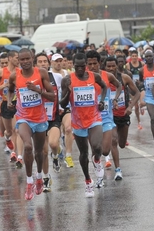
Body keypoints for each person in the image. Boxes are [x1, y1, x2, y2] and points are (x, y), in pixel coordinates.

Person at [7, 48, 55, 200]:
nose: (25, 62)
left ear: (32, 58)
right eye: (22, 60)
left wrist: (37, 90)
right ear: (19, 61)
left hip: (40, 118)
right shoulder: (15, 76)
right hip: (23, 118)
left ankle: (39, 177)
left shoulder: (41, 73)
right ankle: (29, 183)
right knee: (28, 146)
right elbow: (10, 90)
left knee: (39, 152)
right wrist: (9, 101)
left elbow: (52, 96)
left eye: (28, 59)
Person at [60, 52, 107, 198]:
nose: (80, 69)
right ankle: (88, 181)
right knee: (83, 153)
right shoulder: (67, 80)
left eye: (82, 66)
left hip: (94, 118)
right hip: (78, 121)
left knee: (97, 146)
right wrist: (68, 92)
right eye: (77, 66)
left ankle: (97, 160)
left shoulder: (94, 76)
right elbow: (62, 103)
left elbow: (104, 87)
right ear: (73, 65)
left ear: (85, 65)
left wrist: (102, 101)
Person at [86, 50, 121, 175]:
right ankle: (98, 173)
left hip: (105, 117)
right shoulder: (83, 78)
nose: (92, 66)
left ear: (99, 63)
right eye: (89, 64)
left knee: (105, 150)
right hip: (90, 119)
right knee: (95, 149)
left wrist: (115, 99)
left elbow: (119, 85)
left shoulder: (108, 76)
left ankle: (103, 163)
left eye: (94, 63)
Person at [104, 56, 140, 179]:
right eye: (108, 66)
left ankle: (109, 148)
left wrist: (130, 107)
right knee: (113, 140)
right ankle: (118, 170)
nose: (111, 68)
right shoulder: (102, 79)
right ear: (105, 67)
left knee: (122, 144)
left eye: (113, 66)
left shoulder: (124, 78)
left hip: (123, 115)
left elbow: (137, 93)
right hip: (109, 116)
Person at [34, 52, 63, 192]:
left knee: (52, 144)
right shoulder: (32, 79)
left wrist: (63, 107)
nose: (43, 64)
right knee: (43, 152)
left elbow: (63, 93)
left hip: (53, 118)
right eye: (39, 62)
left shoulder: (56, 77)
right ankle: (46, 178)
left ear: (49, 63)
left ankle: (56, 155)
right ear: (35, 64)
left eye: (45, 61)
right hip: (38, 119)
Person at [0, 51, 19, 163]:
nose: (18, 60)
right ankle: (7, 139)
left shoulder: (19, 71)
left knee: (16, 129)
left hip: (17, 103)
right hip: (5, 103)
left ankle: (14, 153)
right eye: (16, 58)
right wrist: (4, 85)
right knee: (9, 131)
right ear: (11, 58)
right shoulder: (0, 72)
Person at [50, 53, 74, 168]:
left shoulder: (67, 74)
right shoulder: (48, 75)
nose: (58, 63)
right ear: (52, 62)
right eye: (56, 61)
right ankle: (58, 150)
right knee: (56, 136)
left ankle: (68, 156)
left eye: (60, 60)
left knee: (68, 128)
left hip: (66, 106)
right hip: (53, 109)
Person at [125, 48, 144, 130]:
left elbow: (144, 75)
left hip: (140, 86)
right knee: (135, 106)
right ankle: (139, 122)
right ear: (130, 57)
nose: (134, 57)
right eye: (133, 56)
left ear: (138, 57)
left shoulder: (142, 63)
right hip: (132, 88)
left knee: (142, 102)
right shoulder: (128, 65)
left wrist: (141, 81)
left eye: (136, 56)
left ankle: (142, 106)